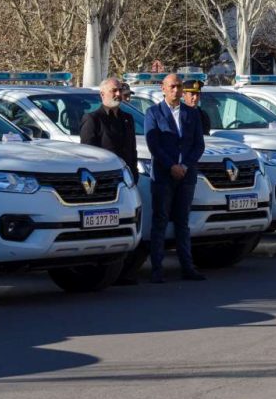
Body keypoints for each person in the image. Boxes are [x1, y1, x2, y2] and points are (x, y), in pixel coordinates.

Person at [144, 74, 206, 283]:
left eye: (179, 87)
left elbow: (199, 145)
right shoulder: (153, 113)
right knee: (160, 221)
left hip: (186, 176)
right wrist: (171, 166)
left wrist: (185, 166)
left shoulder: (192, 113)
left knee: (183, 222)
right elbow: (154, 145)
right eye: (172, 86)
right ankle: (157, 269)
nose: (176, 90)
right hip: (163, 175)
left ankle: (187, 267)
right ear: (163, 88)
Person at [82, 78, 144, 285]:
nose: (118, 94)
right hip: (103, 186)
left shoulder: (127, 118)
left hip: (125, 182)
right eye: (113, 91)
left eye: (120, 90)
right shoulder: (93, 119)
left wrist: (133, 174)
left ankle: (125, 272)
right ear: (102, 94)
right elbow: (88, 155)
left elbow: (132, 150)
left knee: (127, 224)